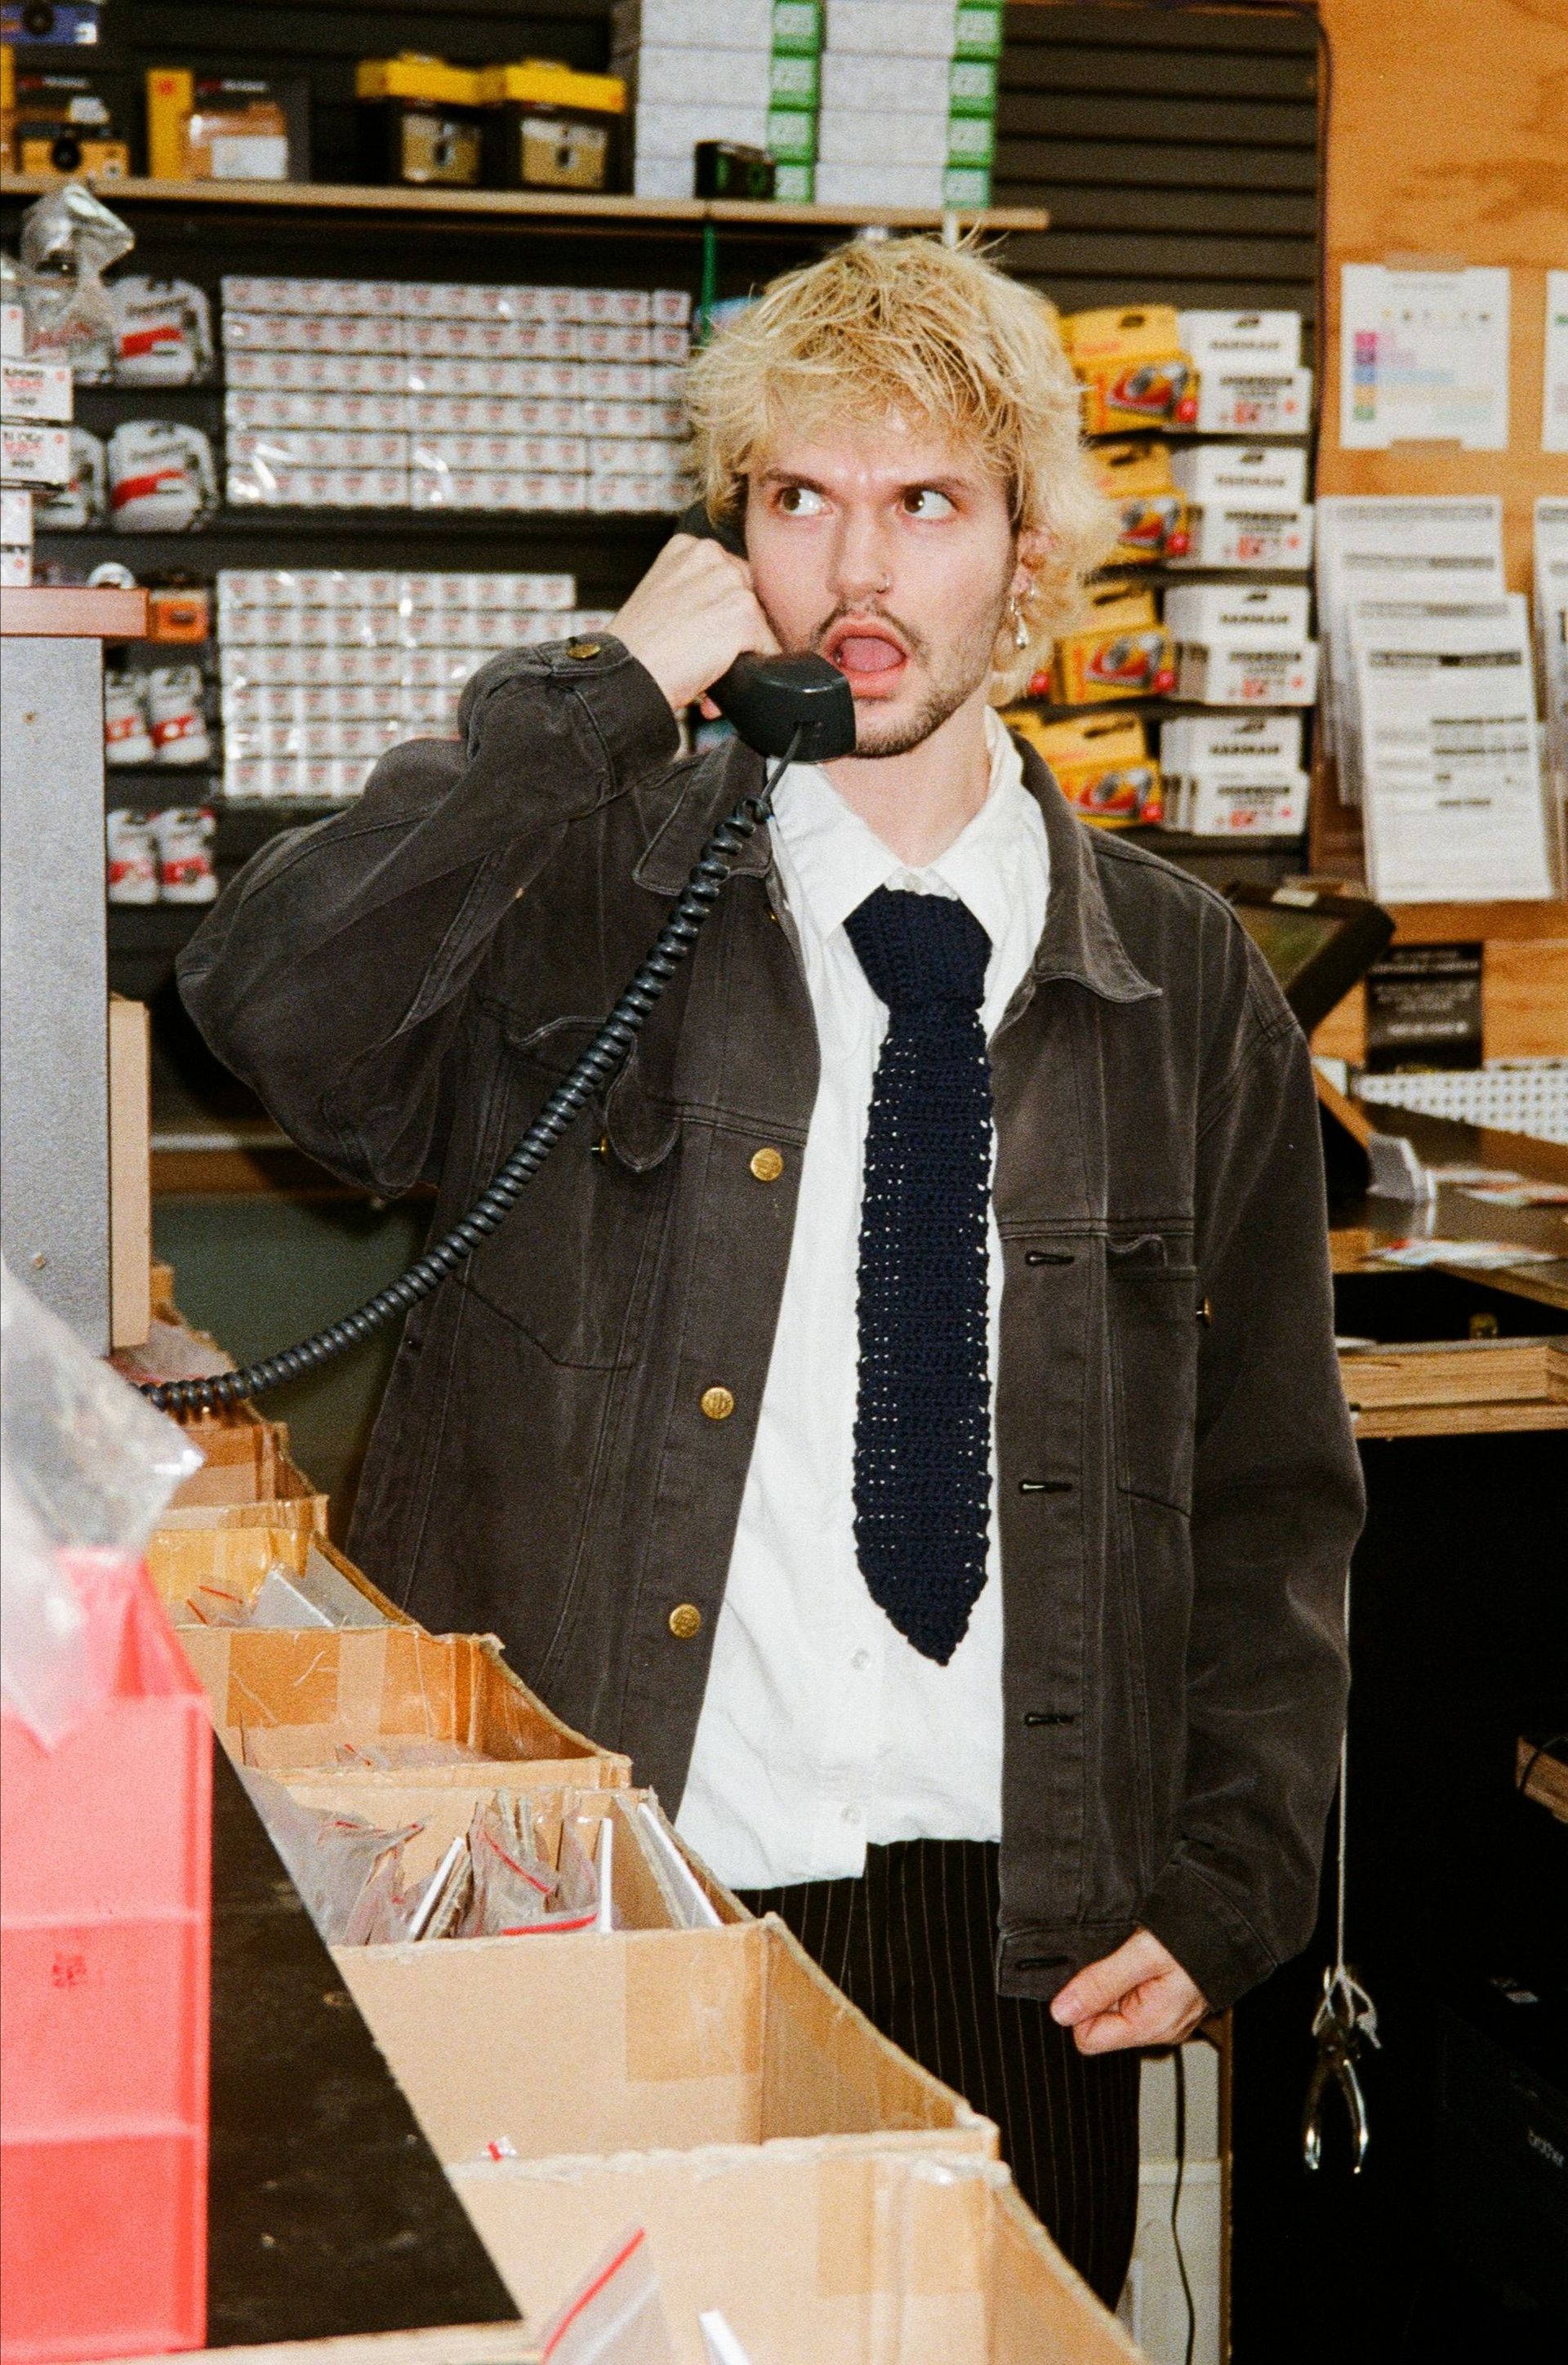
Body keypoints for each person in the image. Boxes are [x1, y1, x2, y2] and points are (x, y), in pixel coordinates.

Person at [180, 237, 1364, 2305]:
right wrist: (595, 707)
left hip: (1017, 1922)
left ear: (1029, 549)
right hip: (609, 1887)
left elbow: (1274, 1485)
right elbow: (270, 1002)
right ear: (730, 541)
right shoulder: (580, 898)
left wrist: (1238, 1871)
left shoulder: (1180, 985)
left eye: (928, 500)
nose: (857, 571)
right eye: (796, 500)